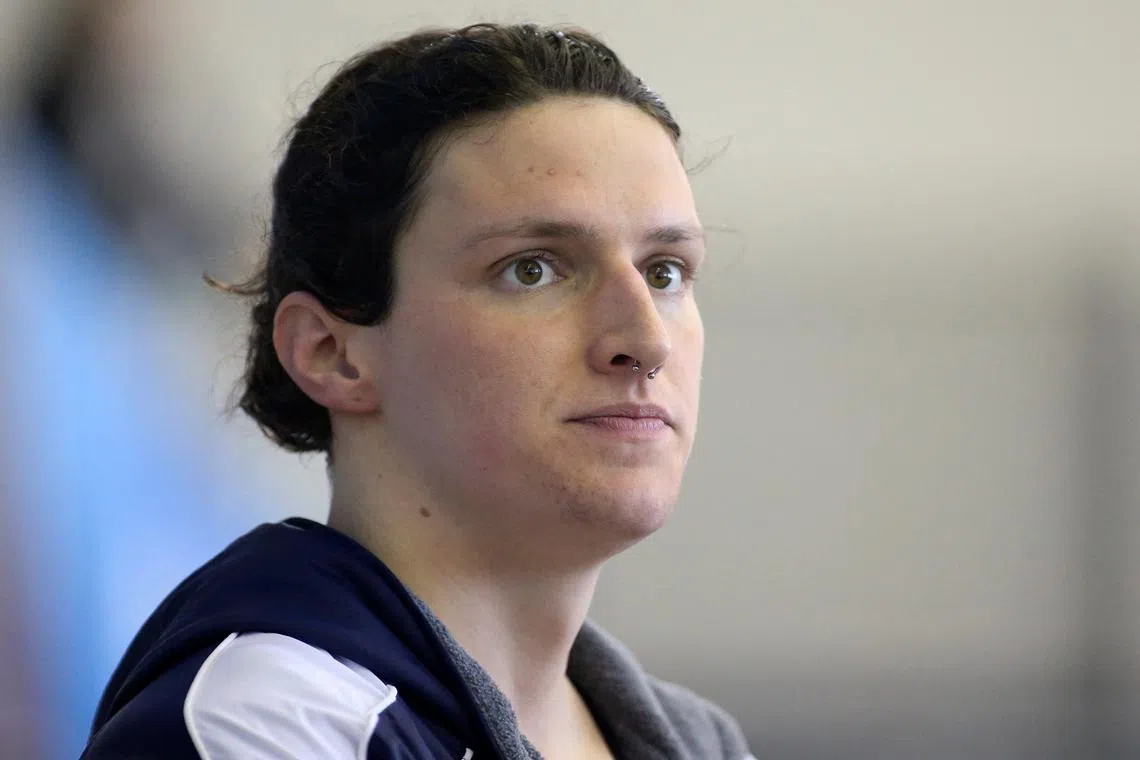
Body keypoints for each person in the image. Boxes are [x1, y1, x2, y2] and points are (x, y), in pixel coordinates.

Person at [83, 22, 754, 760]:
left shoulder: (698, 743)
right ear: (331, 353)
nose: (646, 341)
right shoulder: (264, 724)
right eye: (533, 268)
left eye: (665, 272)